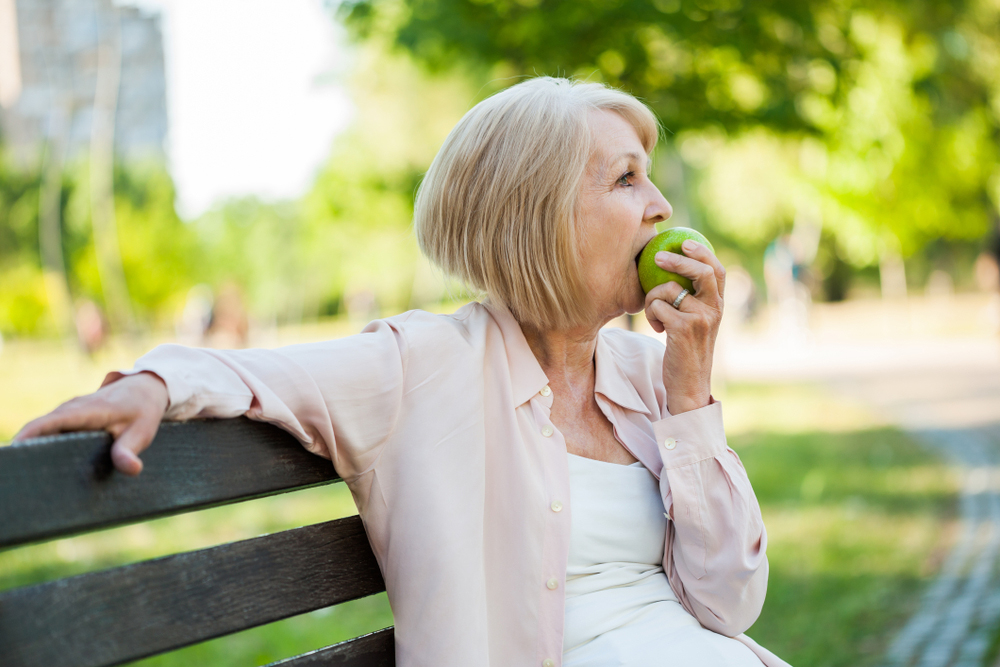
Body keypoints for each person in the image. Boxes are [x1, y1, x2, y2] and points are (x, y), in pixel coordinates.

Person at [15, 77, 789, 667]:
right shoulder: (425, 365)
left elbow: (728, 604)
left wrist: (691, 394)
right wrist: (150, 384)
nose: (660, 206)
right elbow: (266, 372)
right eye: (624, 180)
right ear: (535, 216)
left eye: (650, 178)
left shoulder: (648, 373)